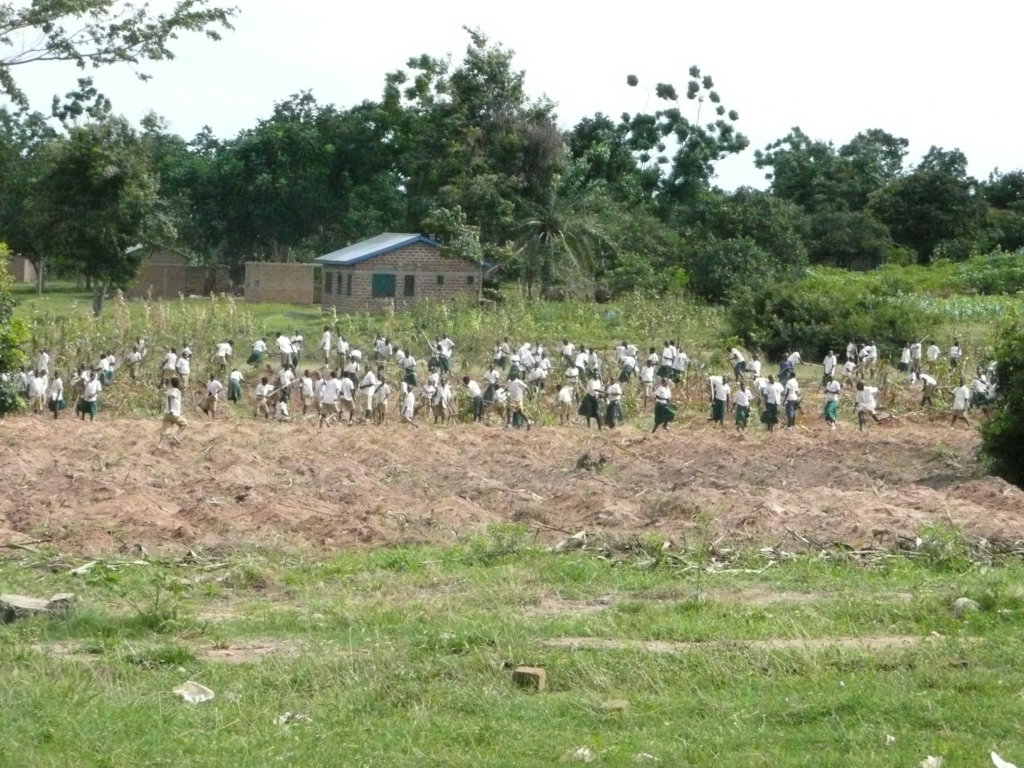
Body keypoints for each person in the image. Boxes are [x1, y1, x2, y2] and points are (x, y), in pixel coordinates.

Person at [159, 376, 188, 444]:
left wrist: (183, 388)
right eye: (180, 383)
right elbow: (170, 397)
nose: (181, 384)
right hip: (174, 414)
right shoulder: (176, 391)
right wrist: (171, 409)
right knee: (184, 424)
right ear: (178, 384)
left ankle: (160, 444)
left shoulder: (170, 390)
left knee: (165, 431)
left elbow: (177, 391)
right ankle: (176, 436)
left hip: (167, 415)